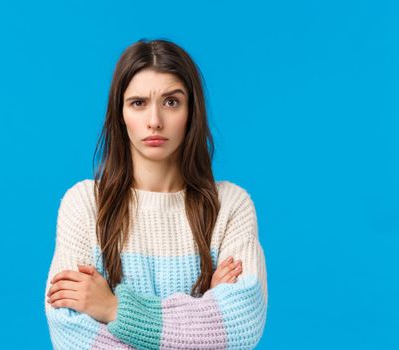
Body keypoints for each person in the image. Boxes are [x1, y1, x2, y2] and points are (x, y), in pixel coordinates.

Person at [44, 38, 268, 349]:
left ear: (192, 111)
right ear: (120, 113)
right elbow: (70, 332)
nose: (154, 121)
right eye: (138, 103)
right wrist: (204, 316)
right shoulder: (85, 205)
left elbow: (241, 325)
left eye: (171, 102)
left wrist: (114, 309)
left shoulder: (230, 206)